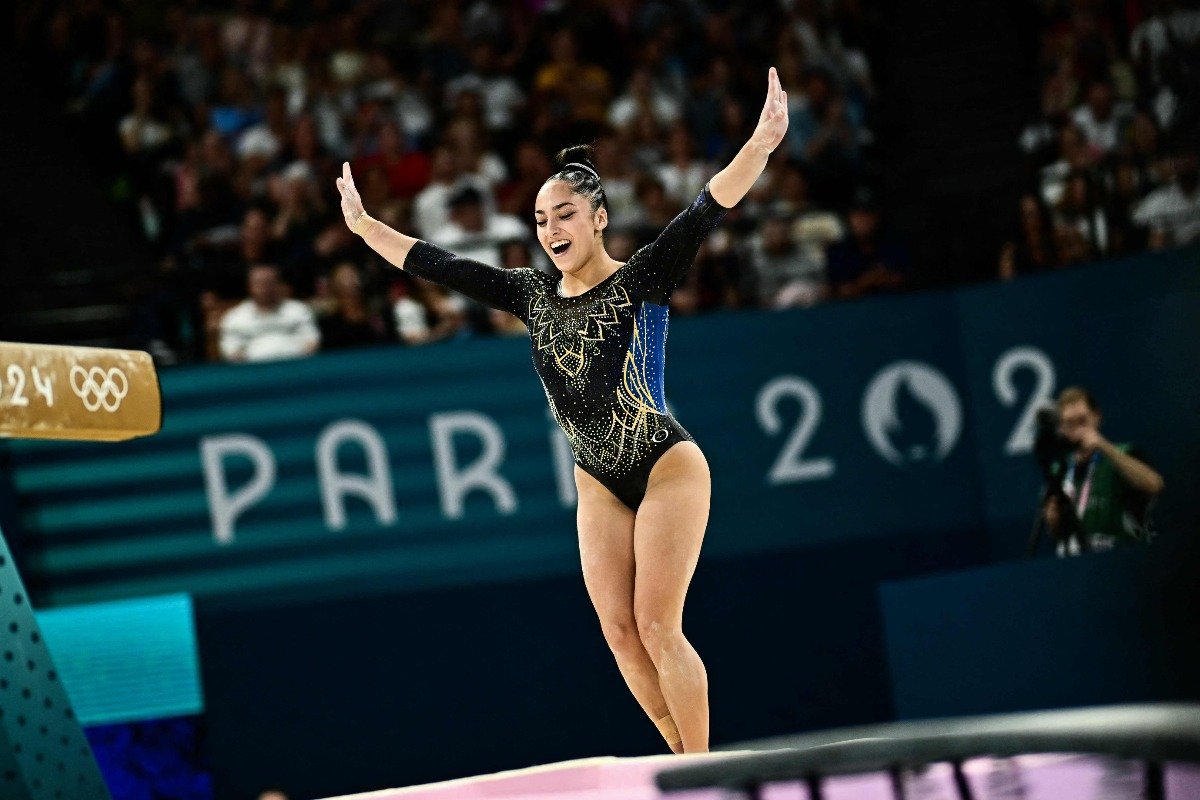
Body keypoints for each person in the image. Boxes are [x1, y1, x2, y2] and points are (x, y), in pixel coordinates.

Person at [335, 68, 790, 754]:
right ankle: (677, 764)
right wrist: (367, 227)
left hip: (666, 464)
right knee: (620, 635)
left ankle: (705, 775)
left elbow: (707, 207)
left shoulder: (641, 278)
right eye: (541, 219)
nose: (551, 229)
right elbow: (441, 265)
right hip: (597, 481)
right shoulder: (530, 296)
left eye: (566, 214)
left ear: (599, 217)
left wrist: (760, 143)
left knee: (660, 624)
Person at [1042, 387, 1164, 557]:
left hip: (1117, 562)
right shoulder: (1058, 470)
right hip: (1071, 565)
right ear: (1061, 428)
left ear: (1097, 416)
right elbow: (1057, 532)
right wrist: (1053, 522)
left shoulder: (1123, 455)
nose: (1078, 429)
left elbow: (1154, 485)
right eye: (1069, 423)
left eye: (1083, 421)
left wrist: (1103, 446)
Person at [219, 264, 320, 362]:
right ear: (250, 287)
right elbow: (231, 351)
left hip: (295, 367)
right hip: (254, 371)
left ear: (279, 285)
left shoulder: (298, 310)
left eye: (269, 283)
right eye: (259, 283)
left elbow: (312, 341)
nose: (265, 288)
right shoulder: (235, 317)